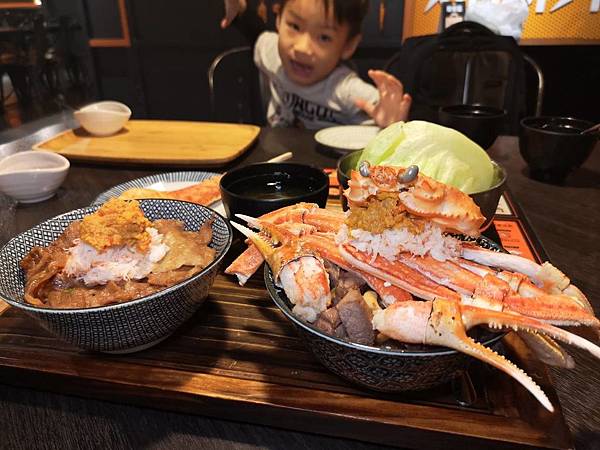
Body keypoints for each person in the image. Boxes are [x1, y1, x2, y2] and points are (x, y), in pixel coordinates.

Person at [221, 0, 412, 129]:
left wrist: (393, 124)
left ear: (348, 45)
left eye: (324, 37)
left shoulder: (346, 90)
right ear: (278, 19)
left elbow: (385, 114)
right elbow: (257, 35)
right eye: (295, 26)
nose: (303, 48)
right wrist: (239, 11)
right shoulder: (274, 54)